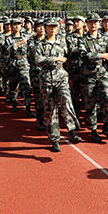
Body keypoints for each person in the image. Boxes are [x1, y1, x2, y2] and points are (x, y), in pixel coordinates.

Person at [35, 17, 81, 152]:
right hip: (46, 79)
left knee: (67, 101)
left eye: (55, 26)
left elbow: (68, 58)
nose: (52, 28)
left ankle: (72, 130)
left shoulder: (62, 42)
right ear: (45, 28)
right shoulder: (40, 44)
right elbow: (38, 60)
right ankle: (55, 139)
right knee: (51, 109)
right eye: (50, 26)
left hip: (61, 77)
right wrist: (54, 59)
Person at [72, 13, 108, 143]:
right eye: (91, 22)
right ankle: (93, 130)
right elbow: (84, 56)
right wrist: (101, 55)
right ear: (87, 24)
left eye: (96, 22)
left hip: (102, 73)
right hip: (87, 75)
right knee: (90, 103)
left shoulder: (104, 38)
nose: (94, 24)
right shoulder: (82, 40)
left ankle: (106, 126)